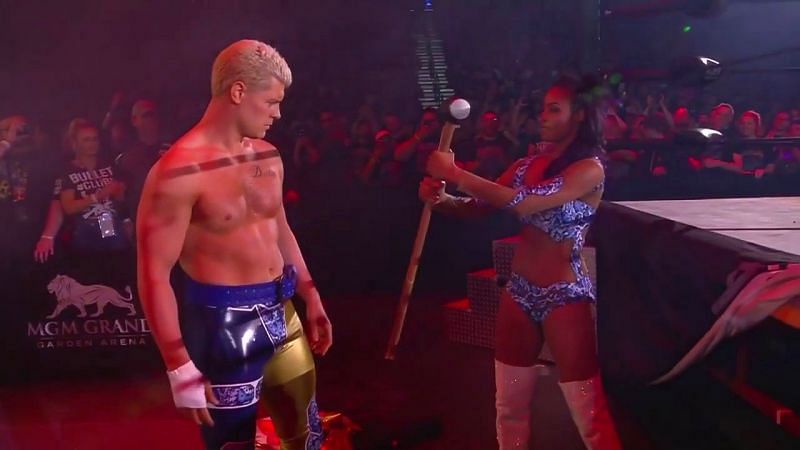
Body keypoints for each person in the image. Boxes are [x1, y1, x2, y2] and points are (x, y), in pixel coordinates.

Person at [136, 39, 332, 450]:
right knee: (234, 445)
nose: (278, 113)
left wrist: (310, 295)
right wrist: (178, 365)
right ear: (238, 92)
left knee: (307, 435)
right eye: (271, 102)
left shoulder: (268, 155)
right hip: (224, 325)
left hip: (284, 312)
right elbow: (154, 272)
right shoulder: (177, 172)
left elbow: (279, 228)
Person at [420, 76, 622, 450]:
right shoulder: (525, 163)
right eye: (543, 107)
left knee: (589, 412)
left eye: (554, 109)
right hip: (519, 291)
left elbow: (524, 202)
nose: (542, 115)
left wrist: (456, 174)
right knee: (509, 406)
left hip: (565, 293)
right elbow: (480, 207)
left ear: (578, 116)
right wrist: (442, 199)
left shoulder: (589, 169)